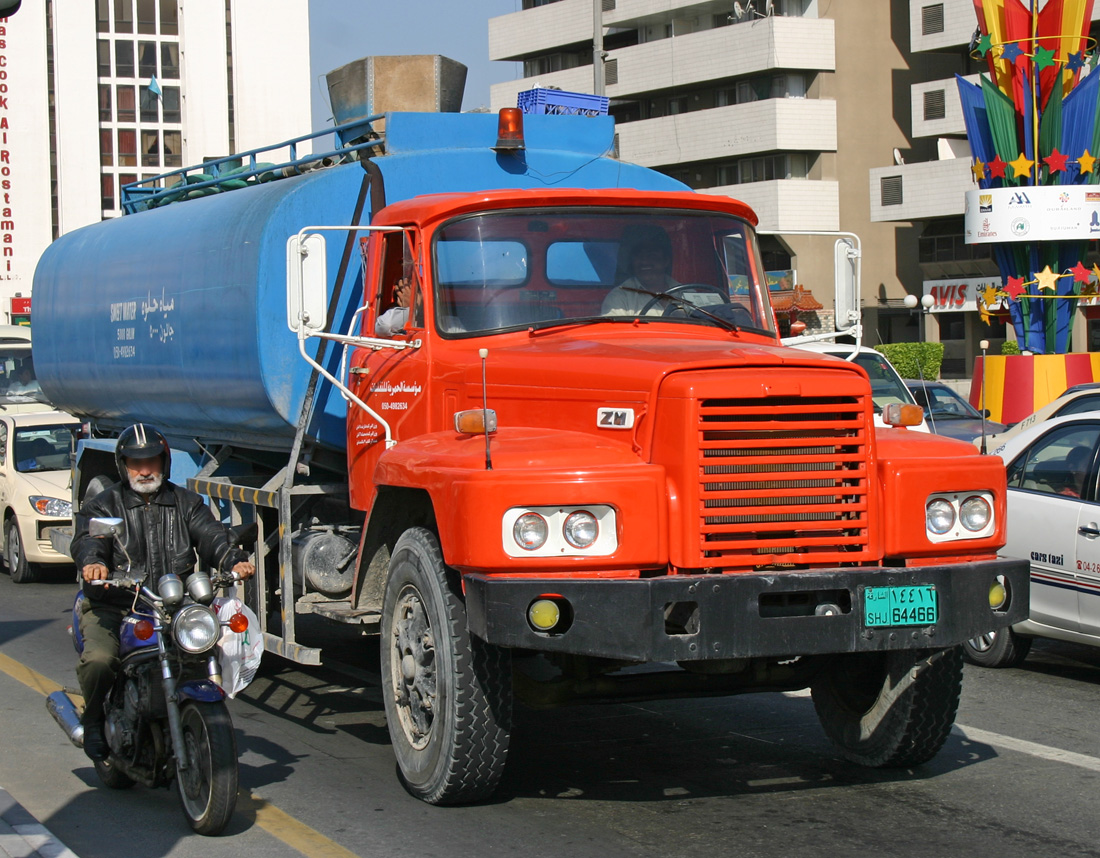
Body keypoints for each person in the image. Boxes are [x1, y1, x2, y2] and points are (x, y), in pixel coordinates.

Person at [69, 423, 256, 761]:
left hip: (172, 608)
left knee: (209, 649)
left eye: (151, 461)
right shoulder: (104, 505)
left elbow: (211, 534)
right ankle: (94, 720)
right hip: (117, 605)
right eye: (135, 462)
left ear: (164, 462)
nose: (144, 470)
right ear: (122, 465)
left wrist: (233, 559)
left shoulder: (185, 502)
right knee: (99, 661)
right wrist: (93, 563)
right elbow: (89, 540)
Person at [601, 228, 679, 316]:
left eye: (652, 255)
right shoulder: (619, 297)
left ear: (666, 261)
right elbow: (616, 329)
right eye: (639, 256)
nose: (644, 262)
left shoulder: (686, 292)